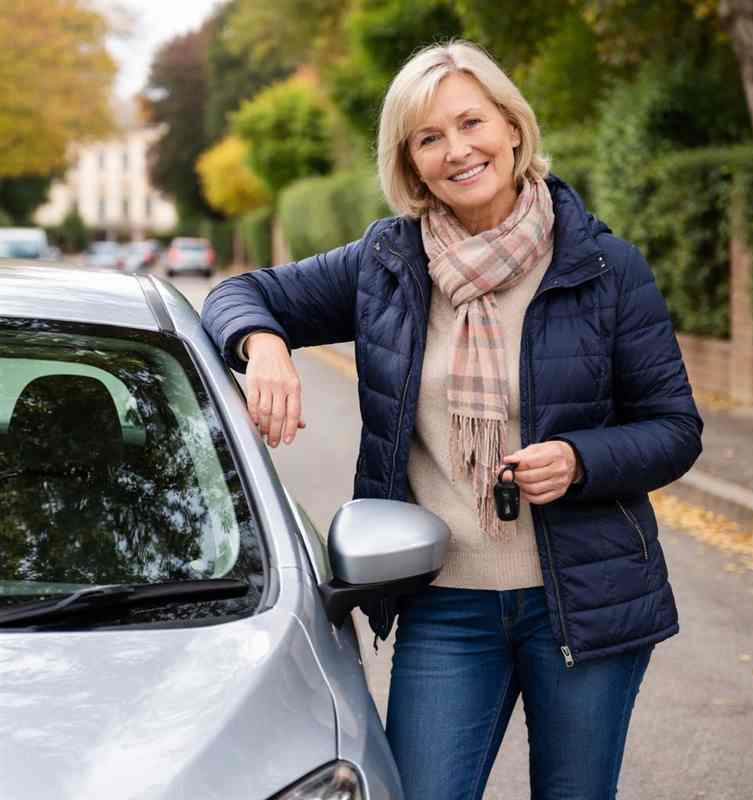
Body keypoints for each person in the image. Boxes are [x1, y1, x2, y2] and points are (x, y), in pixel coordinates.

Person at [202, 40, 703, 800]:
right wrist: (265, 345)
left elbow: (674, 428)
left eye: (471, 123)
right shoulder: (389, 263)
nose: (457, 150)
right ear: (409, 161)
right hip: (445, 605)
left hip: (585, 606)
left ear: (511, 126)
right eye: (428, 138)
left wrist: (579, 458)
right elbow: (240, 292)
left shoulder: (604, 266)